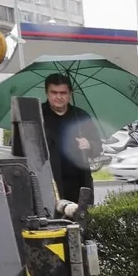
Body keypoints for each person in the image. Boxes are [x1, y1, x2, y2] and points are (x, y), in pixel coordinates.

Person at [38, 72, 101, 204]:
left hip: (79, 182)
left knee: (81, 220)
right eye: (54, 92)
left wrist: (89, 144)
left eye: (63, 93)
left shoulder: (81, 116)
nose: (58, 97)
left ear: (70, 94)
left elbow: (98, 146)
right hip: (49, 182)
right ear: (47, 93)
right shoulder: (37, 116)